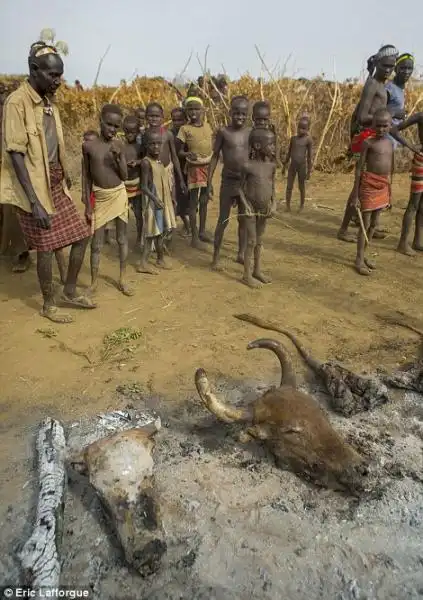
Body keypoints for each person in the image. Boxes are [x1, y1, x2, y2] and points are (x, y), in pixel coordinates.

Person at [0, 42, 94, 323]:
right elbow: (15, 154)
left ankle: (69, 290)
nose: (58, 81)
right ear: (33, 70)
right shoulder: (17, 102)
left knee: (81, 235)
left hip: (54, 181)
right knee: (45, 247)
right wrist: (34, 201)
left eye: (60, 75)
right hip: (32, 187)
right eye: (53, 75)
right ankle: (48, 304)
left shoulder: (47, 102)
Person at [338, 45, 399, 243]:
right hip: (365, 136)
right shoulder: (373, 84)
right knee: (361, 183)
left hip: (372, 134)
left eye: (392, 66)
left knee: (371, 182)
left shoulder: (380, 84)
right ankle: (344, 228)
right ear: (378, 64)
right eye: (385, 66)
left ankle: (369, 224)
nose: (389, 70)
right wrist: (388, 116)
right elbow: (363, 116)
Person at [82, 103, 133, 296]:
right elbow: (86, 177)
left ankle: (122, 279)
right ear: (100, 121)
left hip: (118, 194)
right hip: (101, 197)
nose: (112, 129)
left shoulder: (118, 145)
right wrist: (88, 204)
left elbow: (125, 176)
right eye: (108, 124)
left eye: (116, 126)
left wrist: (119, 158)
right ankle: (94, 283)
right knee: (96, 243)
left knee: (121, 238)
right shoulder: (88, 146)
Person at [207, 95, 250, 270]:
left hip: (245, 182)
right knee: (223, 220)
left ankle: (241, 254)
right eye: (236, 113)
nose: (240, 117)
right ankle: (215, 258)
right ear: (230, 112)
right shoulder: (223, 132)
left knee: (244, 219)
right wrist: (209, 181)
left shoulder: (250, 132)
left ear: (247, 114)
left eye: (243, 114)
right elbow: (215, 156)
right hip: (228, 181)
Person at [350, 109, 393, 276]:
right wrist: (356, 194)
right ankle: (359, 259)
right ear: (373, 125)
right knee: (364, 224)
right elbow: (359, 168)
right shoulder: (368, 143)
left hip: (383, 185)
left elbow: (392, 168)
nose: (381, 129)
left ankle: (365, 254)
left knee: (374, 224)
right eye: (378, 125)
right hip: (368, 185)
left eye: (385, 126)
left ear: (390, 126)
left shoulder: (389, 144)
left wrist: (390, 190)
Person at [145, 102, 186, 251]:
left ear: (162, 117)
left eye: (157, 116)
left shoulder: (168, 134)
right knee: (154, 205)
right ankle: (155, 239)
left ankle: (167, 236)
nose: (153, 119)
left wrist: (180, 179)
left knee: (171, 204)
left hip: (167, 172)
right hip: (152, 174)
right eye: (150, 116)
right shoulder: (145, 135)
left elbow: (174, 157)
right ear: (146, 117)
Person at [239, 128, 277, 288]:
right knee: (251, 241)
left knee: (259, 241)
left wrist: (274, 204)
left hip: (264, 209)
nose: (273, 148)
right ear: (257, 145)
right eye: (270, 145)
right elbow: (240, 188)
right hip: (250, 208)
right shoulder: (247, 166)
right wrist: (245, 205)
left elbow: (272, 186)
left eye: (273, 144)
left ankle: (257, 270)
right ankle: (246, 275)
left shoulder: (271, 166)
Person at [137, 128, 176, 274]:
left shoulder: (158, 161)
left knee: (160, 232)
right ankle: (143, 263)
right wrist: (155, 199)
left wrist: (170, 198)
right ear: (146, 145)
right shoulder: (146, 163)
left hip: (161, 203)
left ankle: (160, 259)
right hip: (152, 204)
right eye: (152, 144)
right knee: (151, 234)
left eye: (159, 144)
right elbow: (144, 187)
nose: (156, 147)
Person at [177, 96, 214, 249]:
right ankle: (194, 237)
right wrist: (187, 155)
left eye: (196, 109)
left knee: (204, 200)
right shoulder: (184, 129)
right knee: (193, 203)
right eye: (190, 109)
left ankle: (202, 231)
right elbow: (178, 151)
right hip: (194, 168)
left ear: (202, 111)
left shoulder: (208, 126)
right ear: (186, 111)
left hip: (208, 167)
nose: (193, 112)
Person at [392, 112, 423, 255]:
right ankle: (403, 243)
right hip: (421, 162)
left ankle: (418, 241)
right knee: (414, 204)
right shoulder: (420, 116)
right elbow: (393, 130)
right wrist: (411, 146)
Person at [283, 116, 313, 212]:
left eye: (303, 128)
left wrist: (309, 171)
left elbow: (309, 157)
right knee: (289, 186)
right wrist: (284, 166)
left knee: (301, 187)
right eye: (299, 127)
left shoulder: (308, 140)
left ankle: (301, 205)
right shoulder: (293, 139)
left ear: (308, 129)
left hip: (302, 166)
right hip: (292, 166)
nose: (300, 130)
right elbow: (289, 153)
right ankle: (287, 206)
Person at [122, 115, 144, 248]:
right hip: (124, 184)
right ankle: (122, 238)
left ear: (138, 132)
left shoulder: (140, 147)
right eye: (127, 132)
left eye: (133, 132)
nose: (129, 134)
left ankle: (139, 237)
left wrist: (137, 162)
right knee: (123, 214)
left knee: (138, 213)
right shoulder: (121, 146)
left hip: (137, 184)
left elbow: (146, 160)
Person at [170, 107, 190, 236]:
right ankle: (187, 226)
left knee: (186, 199)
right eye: (174, 120)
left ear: (186, 120)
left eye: (180, 120)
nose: (177, 123)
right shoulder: (170, 134)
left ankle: (188, 226)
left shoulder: (189, 133)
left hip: (188, 171)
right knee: (177, 199)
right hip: (174, 172)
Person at [386, 53, 415, 143]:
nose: (406, 71)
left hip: (396, 134)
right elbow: (376, 112)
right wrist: (395, 113)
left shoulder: (401, 88)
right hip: (387, 136)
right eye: (403, 68)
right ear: (395, 69)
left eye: (410, 68)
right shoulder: (389, 89)